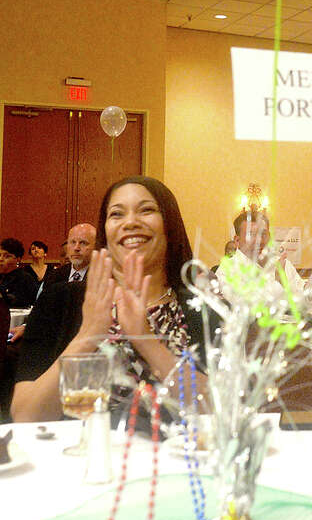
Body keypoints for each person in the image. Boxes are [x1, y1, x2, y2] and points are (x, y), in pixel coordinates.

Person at [11, 176, 207, 423]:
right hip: (82, 458)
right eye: (117, 214)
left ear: (170, 224)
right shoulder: (61, 301)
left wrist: (147, 342)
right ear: (105, 230)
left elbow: (219, 410)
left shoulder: (201, 308)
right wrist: (88, 335)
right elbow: (26, 416)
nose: (131, 222)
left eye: (146, 210)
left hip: (177, 458)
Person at [216, 209, 305, 293]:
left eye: (263, 234)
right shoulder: (227, 270)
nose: (259, 240)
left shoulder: (284, 265)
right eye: (251, 235)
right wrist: (279, 283)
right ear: (237, 241)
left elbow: (302, 301)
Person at [42, 223, 97, 288]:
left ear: (96, 246)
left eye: (83, 243)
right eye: (73, 242)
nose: (76, 248)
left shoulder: (103, 277)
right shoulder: (54, 276)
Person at [0, 238, 38, 308]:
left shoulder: (24, 278)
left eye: (7, 256)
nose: (1, 259)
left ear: (18, 259)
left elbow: (22, 301)